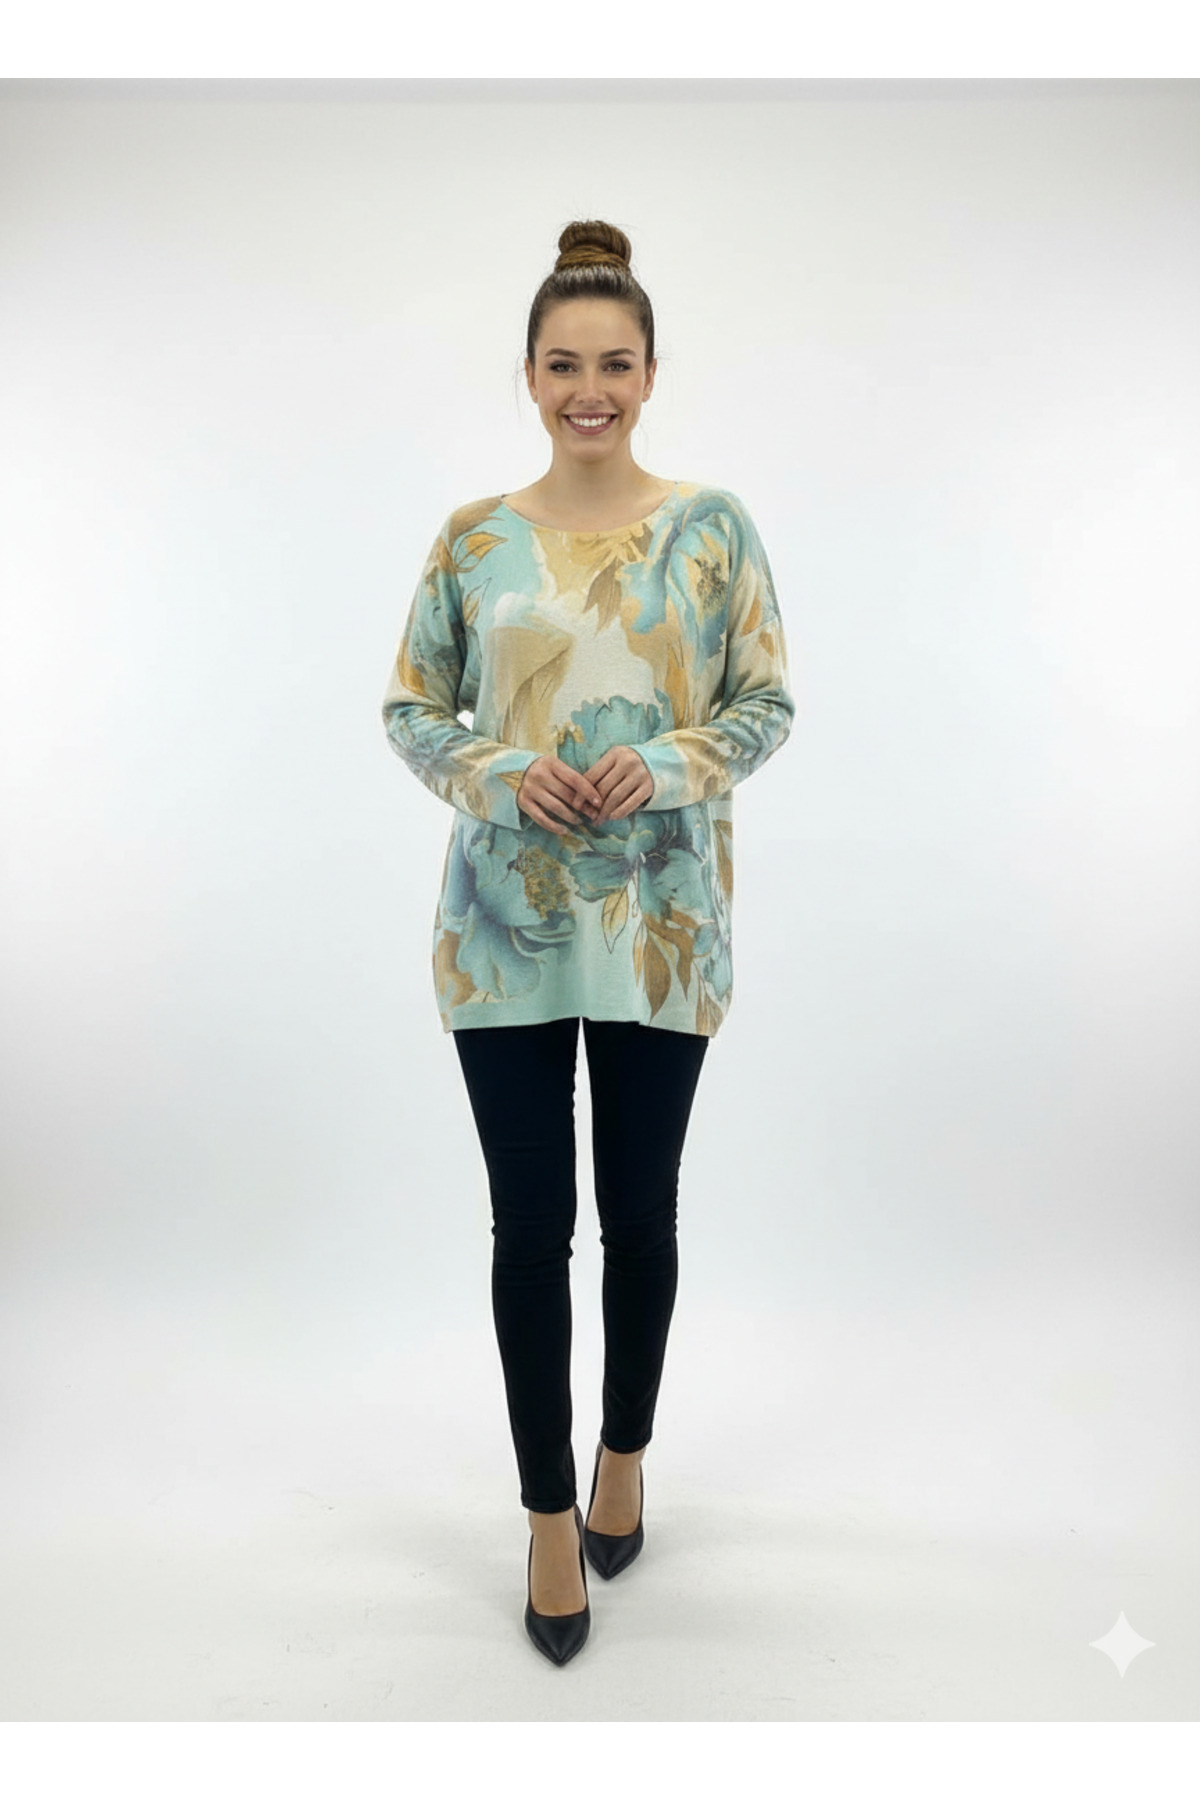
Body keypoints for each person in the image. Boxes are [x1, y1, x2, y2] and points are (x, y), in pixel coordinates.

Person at [381, 218, 795, 1666]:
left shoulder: (713, 529)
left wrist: (667, 763)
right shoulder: (473, 540)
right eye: (564, 365)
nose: (590, 390)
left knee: (641, 1216)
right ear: (531, 376)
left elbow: (765, 703)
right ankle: (548, 1516)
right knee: (528, 1230)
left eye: (614, 364)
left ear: (651, 373)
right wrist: (501, 774)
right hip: (502, 932)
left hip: (660, 929)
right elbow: (411, 709)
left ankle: (626, 1455)